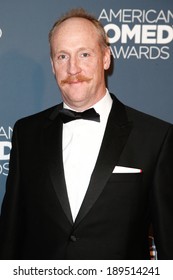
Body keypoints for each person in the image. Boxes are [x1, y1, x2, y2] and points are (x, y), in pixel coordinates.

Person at [0, 8, 173, 260]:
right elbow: (10, 233)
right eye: (62, 56)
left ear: (105, 58)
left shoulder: (156, 137)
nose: (73, 68)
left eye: (84, 54)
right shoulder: (26, 133)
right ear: (52, 64)